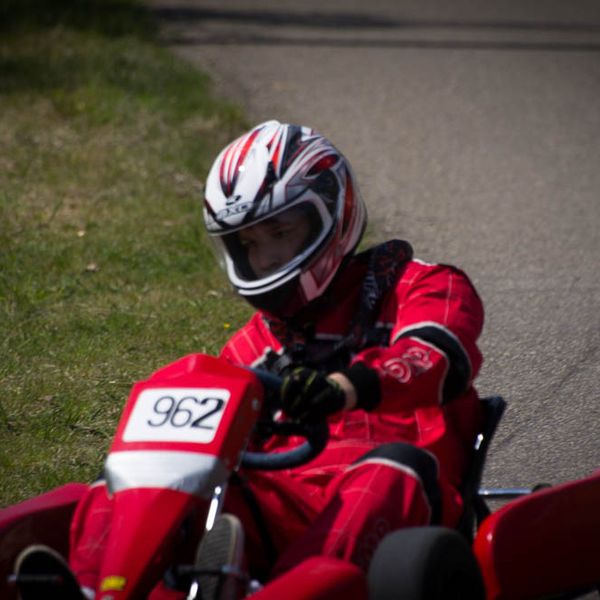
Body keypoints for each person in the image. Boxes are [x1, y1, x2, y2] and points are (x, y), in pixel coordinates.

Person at [14, 120, 484, 599]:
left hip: (394, 494)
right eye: (251, 244)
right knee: (137, 477)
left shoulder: (420, 286)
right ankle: (99, 587)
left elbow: (434, 357)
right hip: (285, 502)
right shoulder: (251, 345)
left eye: (280, 232)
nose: (266, 258)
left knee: (390, 468)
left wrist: (344, 388)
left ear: (331, 212)